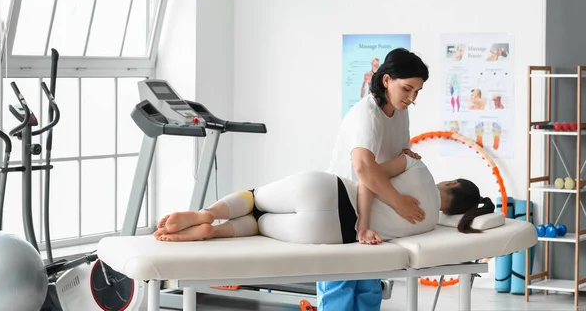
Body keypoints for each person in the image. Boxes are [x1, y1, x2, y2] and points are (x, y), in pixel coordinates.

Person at [153, 155, 494, 244]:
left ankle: (207, 214)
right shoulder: (430, 224)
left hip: (328, 189)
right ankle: (214, 232)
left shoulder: (419, 167)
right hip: (332, 232)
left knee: (255, 198)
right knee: (258, 224)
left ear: (449, 181)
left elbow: (368, 171)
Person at [318, 47, 430, 311]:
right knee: (340, 290)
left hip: (372, 206)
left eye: (417, 92)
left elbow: (391, 162)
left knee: (369, 288)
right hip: (342, 206)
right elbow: (364, 169)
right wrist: (398, 202)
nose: (412, 97)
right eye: (407, 89)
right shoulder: (366, 115)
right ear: (386, 80)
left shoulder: (400, 111)